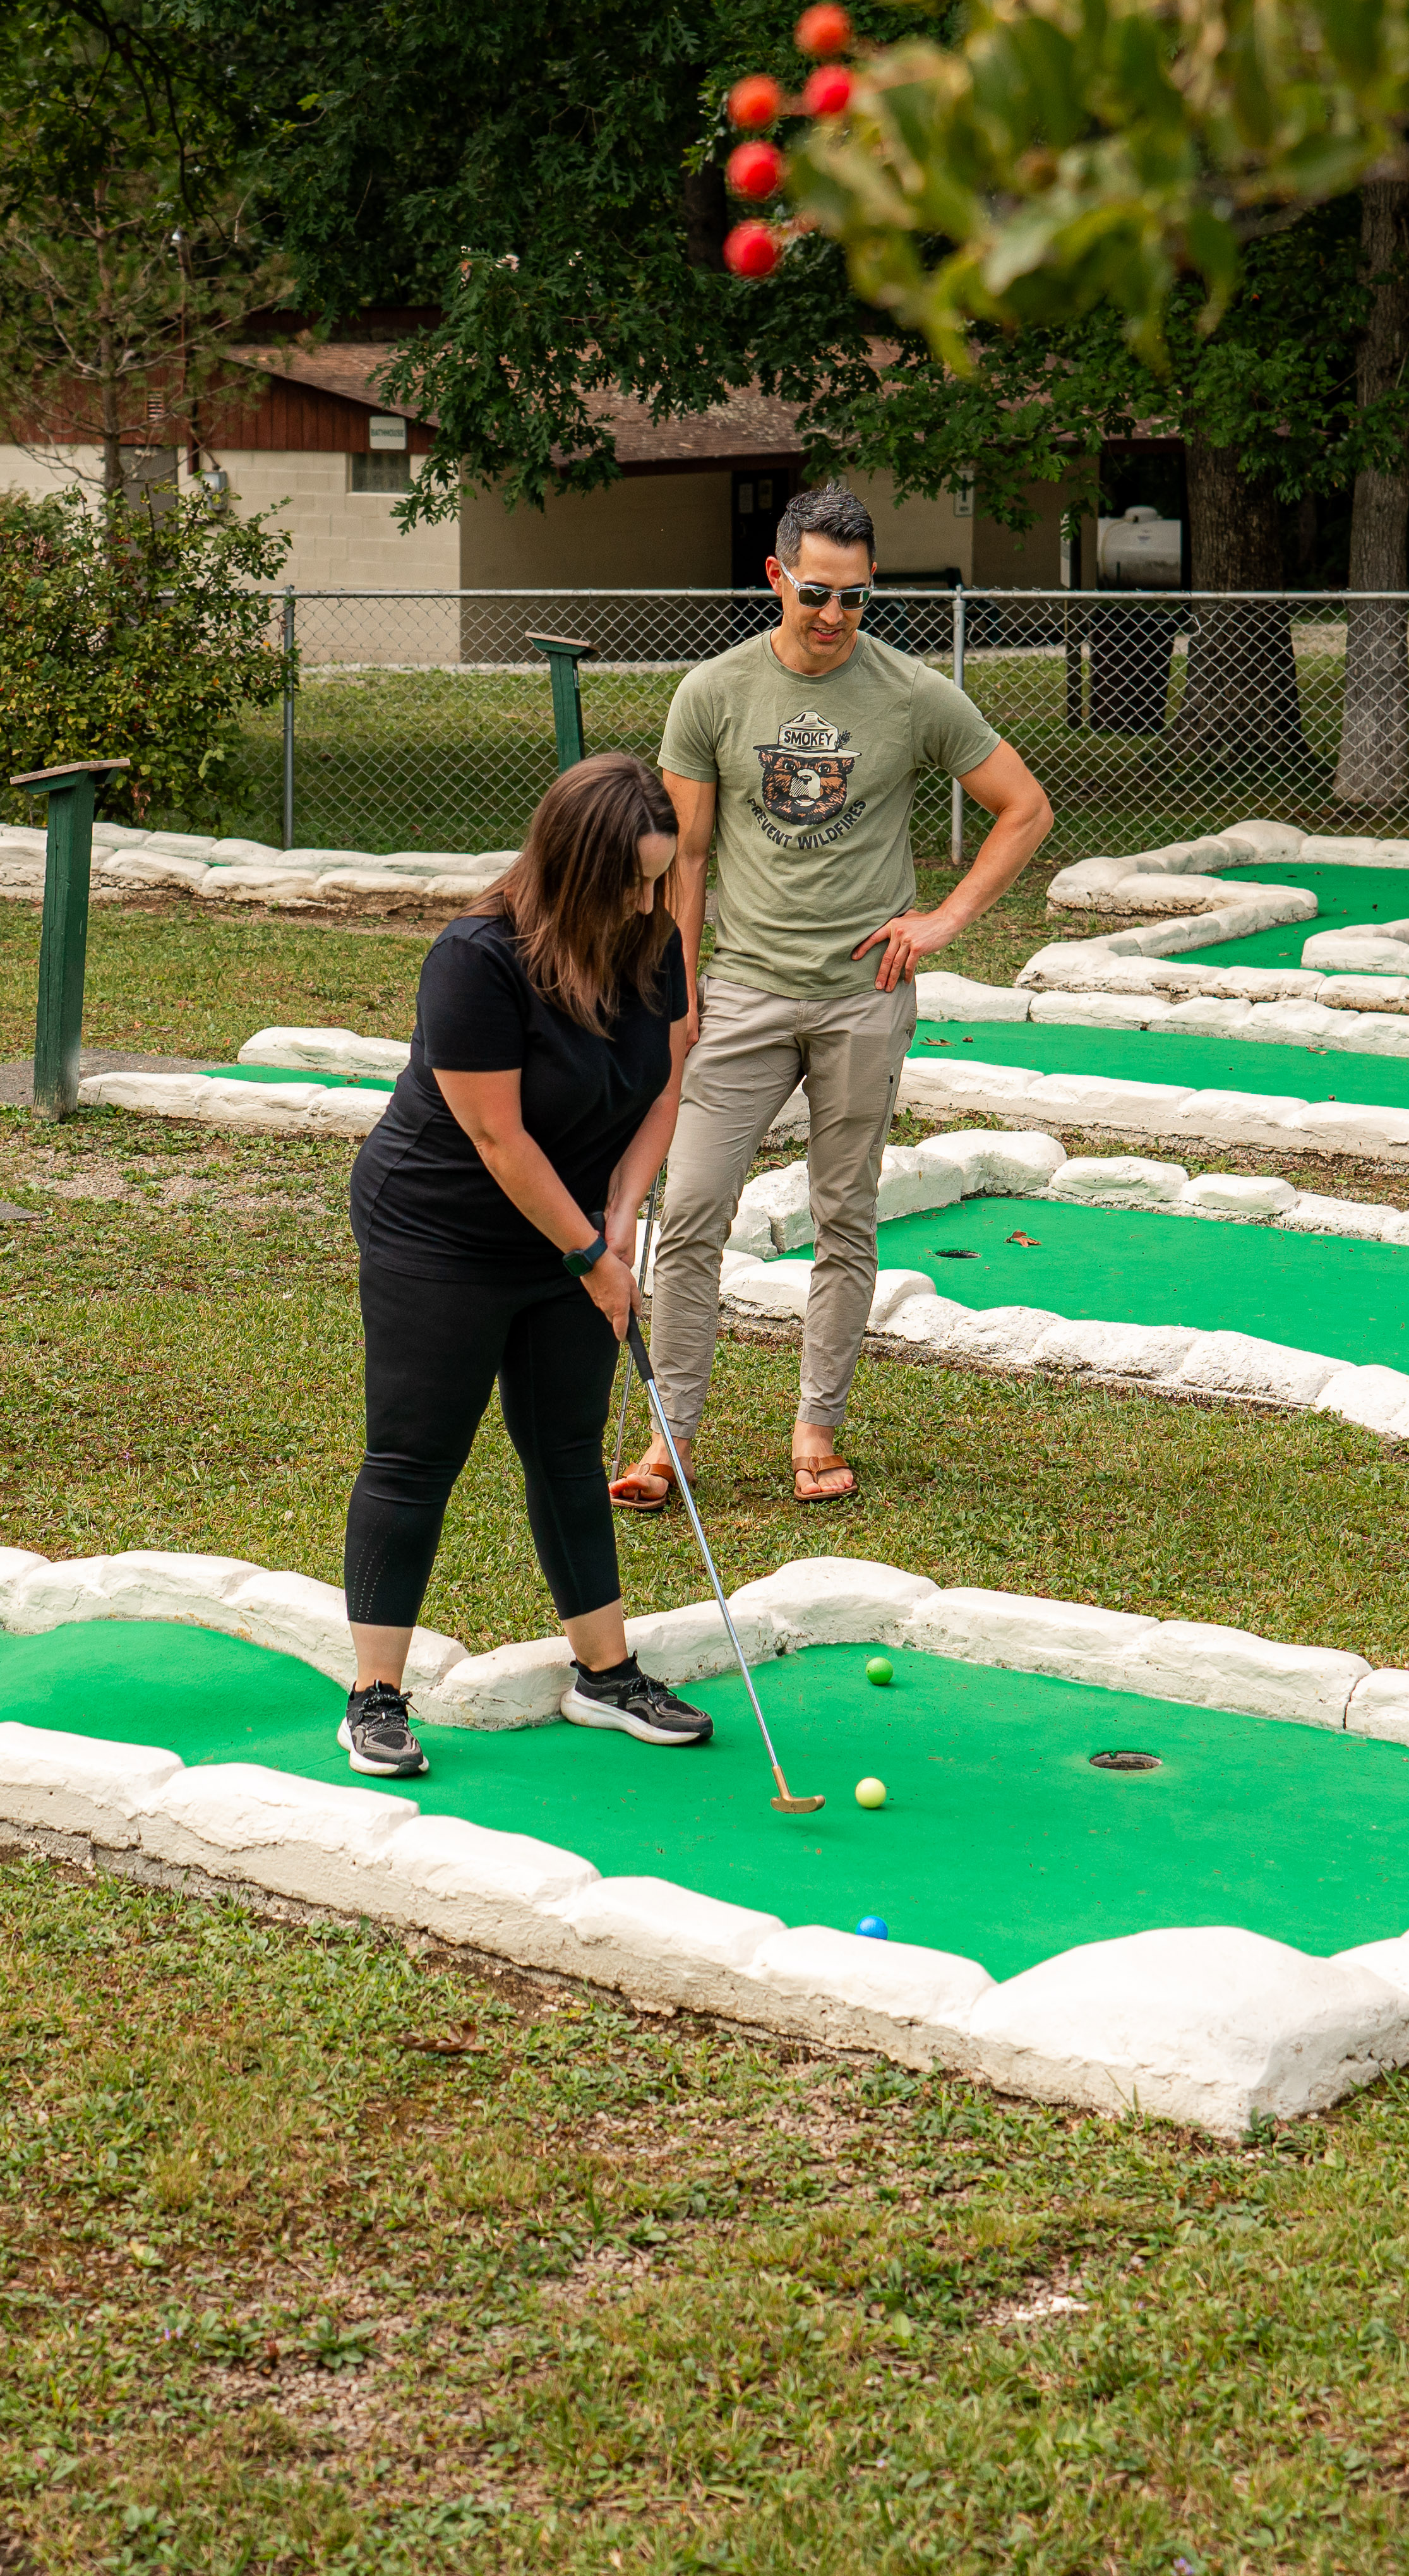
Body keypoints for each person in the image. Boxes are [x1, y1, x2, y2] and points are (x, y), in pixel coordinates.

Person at [612, 482, 1054, 1509]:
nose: (834, 616)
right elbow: (687, 863)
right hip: (746, 994)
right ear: (776, 577)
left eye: (856, 598)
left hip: (864, 998)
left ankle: (818, 1429)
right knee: (690, 1212)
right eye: (816, 592)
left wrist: (941, 923)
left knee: (844, 1217)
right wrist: (679, 994)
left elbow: (1024, 809)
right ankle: (667, 1439)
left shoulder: (912, 695)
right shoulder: (712, 695)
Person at [333, 750, 716, 1783]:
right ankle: (374, 1695)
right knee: (417, 1453)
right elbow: (499, 1140)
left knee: (566, 1442)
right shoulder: (477, 958)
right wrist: (590, 1255)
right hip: (441, 1230)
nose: (649, 897)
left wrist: (621, 1217)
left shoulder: (650, 937)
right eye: (632, 877)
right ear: (574, 865)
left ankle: (605, 1672)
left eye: (659, 876)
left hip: (577, 1223)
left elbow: (663, 1086)